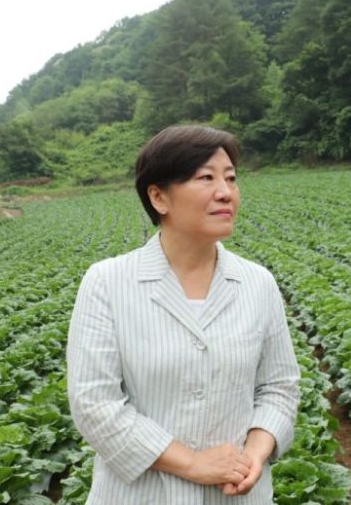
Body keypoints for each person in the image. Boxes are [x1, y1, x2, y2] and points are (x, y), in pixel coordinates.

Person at [67, 125, 300, 504]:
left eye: (231, 178)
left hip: (237, 493)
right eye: (206, 178)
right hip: (138, 495)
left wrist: (254, 455)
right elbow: (94, 404)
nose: (225, 192)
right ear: (158, 196)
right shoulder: (107, 282)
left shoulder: (258, 284)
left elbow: (279, 387)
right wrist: (192, 463)